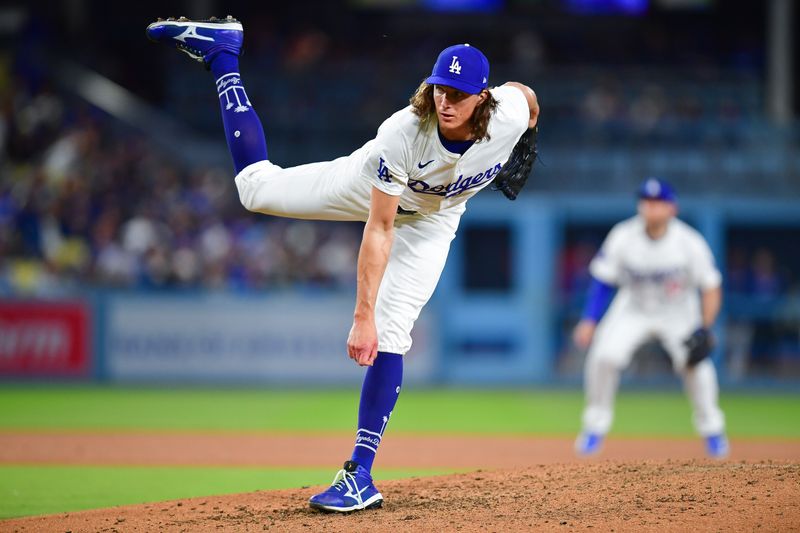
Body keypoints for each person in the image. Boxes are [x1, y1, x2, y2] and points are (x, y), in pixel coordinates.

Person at [146, 16, 539, 512]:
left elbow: (526, 96)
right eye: (440, 88)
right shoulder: (403, 132)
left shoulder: (506, 114)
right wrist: (361, 315)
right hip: (373, 189)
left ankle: (359, 475)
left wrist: (530, 127)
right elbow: (379, 228)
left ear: (482, 97)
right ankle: (224, 57)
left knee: (396, 334)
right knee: (254, 191)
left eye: (458, 93)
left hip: (436, 220)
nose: (446, 100)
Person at [572, 177, 729, 459]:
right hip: (633, 307)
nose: (651, 207)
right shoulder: (623, 235)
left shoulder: (689, 242)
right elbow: (603, 281)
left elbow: (711, 286)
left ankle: (713, 431)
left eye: (658, 203)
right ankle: (594, 428)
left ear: (672, 208)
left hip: (678, 310)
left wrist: (705, 327)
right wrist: (589, 320)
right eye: (646, 201)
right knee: (605, 357)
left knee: (696, 365)